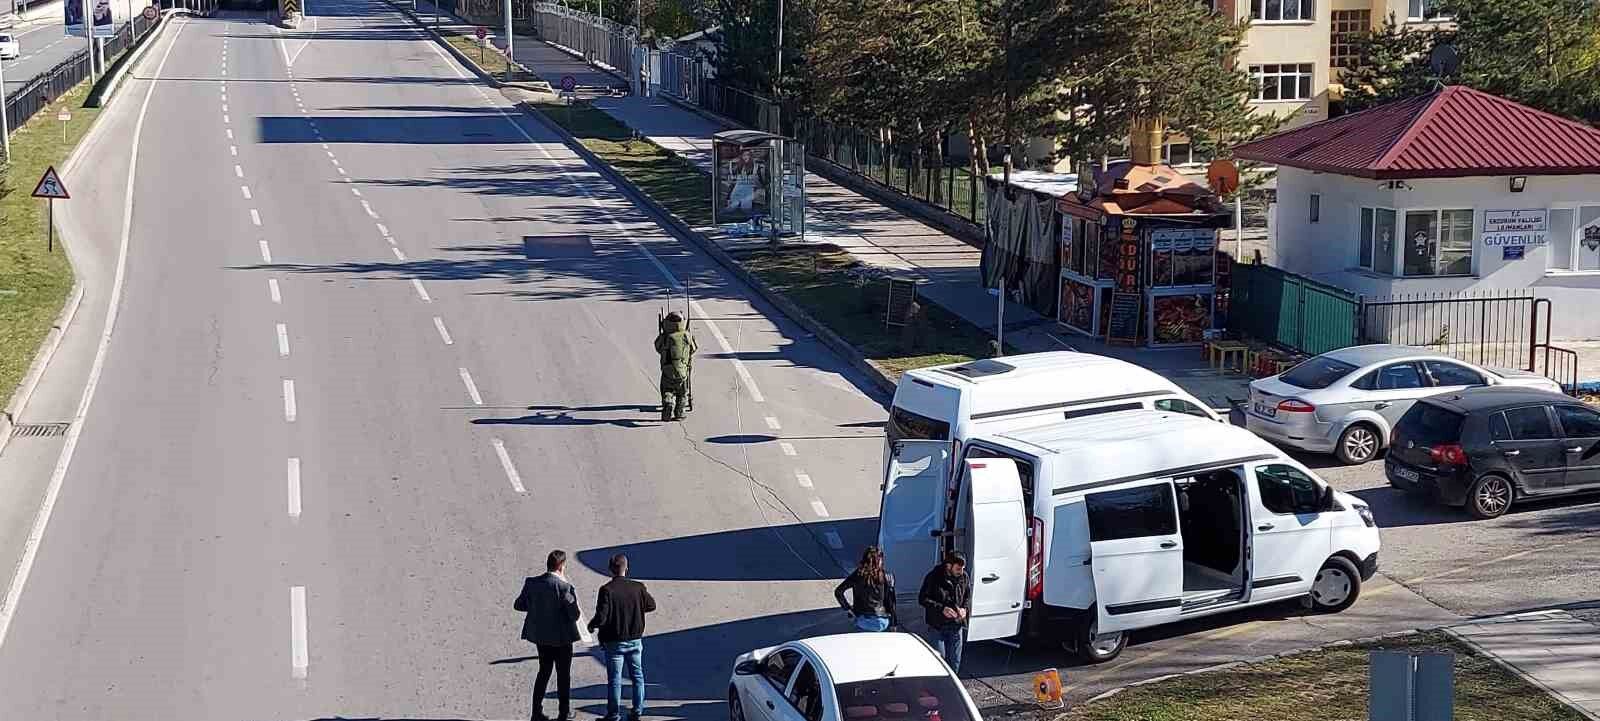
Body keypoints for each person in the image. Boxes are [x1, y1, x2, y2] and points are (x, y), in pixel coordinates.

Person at [514, 550, 582, 721]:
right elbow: (575, 615)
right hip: (562, 639)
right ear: (560, 566)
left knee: (543, 672)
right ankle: (563, 713)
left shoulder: (532, 583)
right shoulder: (564, 587)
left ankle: (536, 712)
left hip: (541, 638)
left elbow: (519, 605)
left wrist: (537, 607)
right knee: (563, 675)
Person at [588, 553, 656, 721]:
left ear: (611, 569)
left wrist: (591, 625)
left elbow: (601, 617)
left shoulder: (607, 590)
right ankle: (637, 710)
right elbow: (651, 605)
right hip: (635, 640)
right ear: (627, 568)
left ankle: (613, 714)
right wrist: (636, 609)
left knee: (615, 679)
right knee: (638, 677)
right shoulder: (639, 587)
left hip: (614, 642)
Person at [918, 551, 970, 672]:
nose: (961, 571)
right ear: (948, 566)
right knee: (939, 662)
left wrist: (964, 609)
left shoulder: (964, 577)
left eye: (963, 568)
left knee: (955, 662)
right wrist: (942, 609)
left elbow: (967, 596)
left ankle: (953, 687)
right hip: (938, 627)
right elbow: (922, 599)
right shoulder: (933, 577)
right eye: (958, 568)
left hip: (956, 626)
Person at [834, 546, 898, 632]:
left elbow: (838, 592)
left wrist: (848, 609)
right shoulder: (886, 576)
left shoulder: (858, 575)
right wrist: (894, 623)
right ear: (879, 560)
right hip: (882, 621)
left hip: (862, 619)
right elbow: (891, 602)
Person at [654, 312, 696, 421]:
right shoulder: (687, 335)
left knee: (667, 389)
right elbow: (694, 348)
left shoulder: (666, 337)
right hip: (683, 371)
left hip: (668, 370)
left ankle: (668, 402)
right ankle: (679, 413)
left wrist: (662, 334)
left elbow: (657, 347)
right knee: (682, 393)